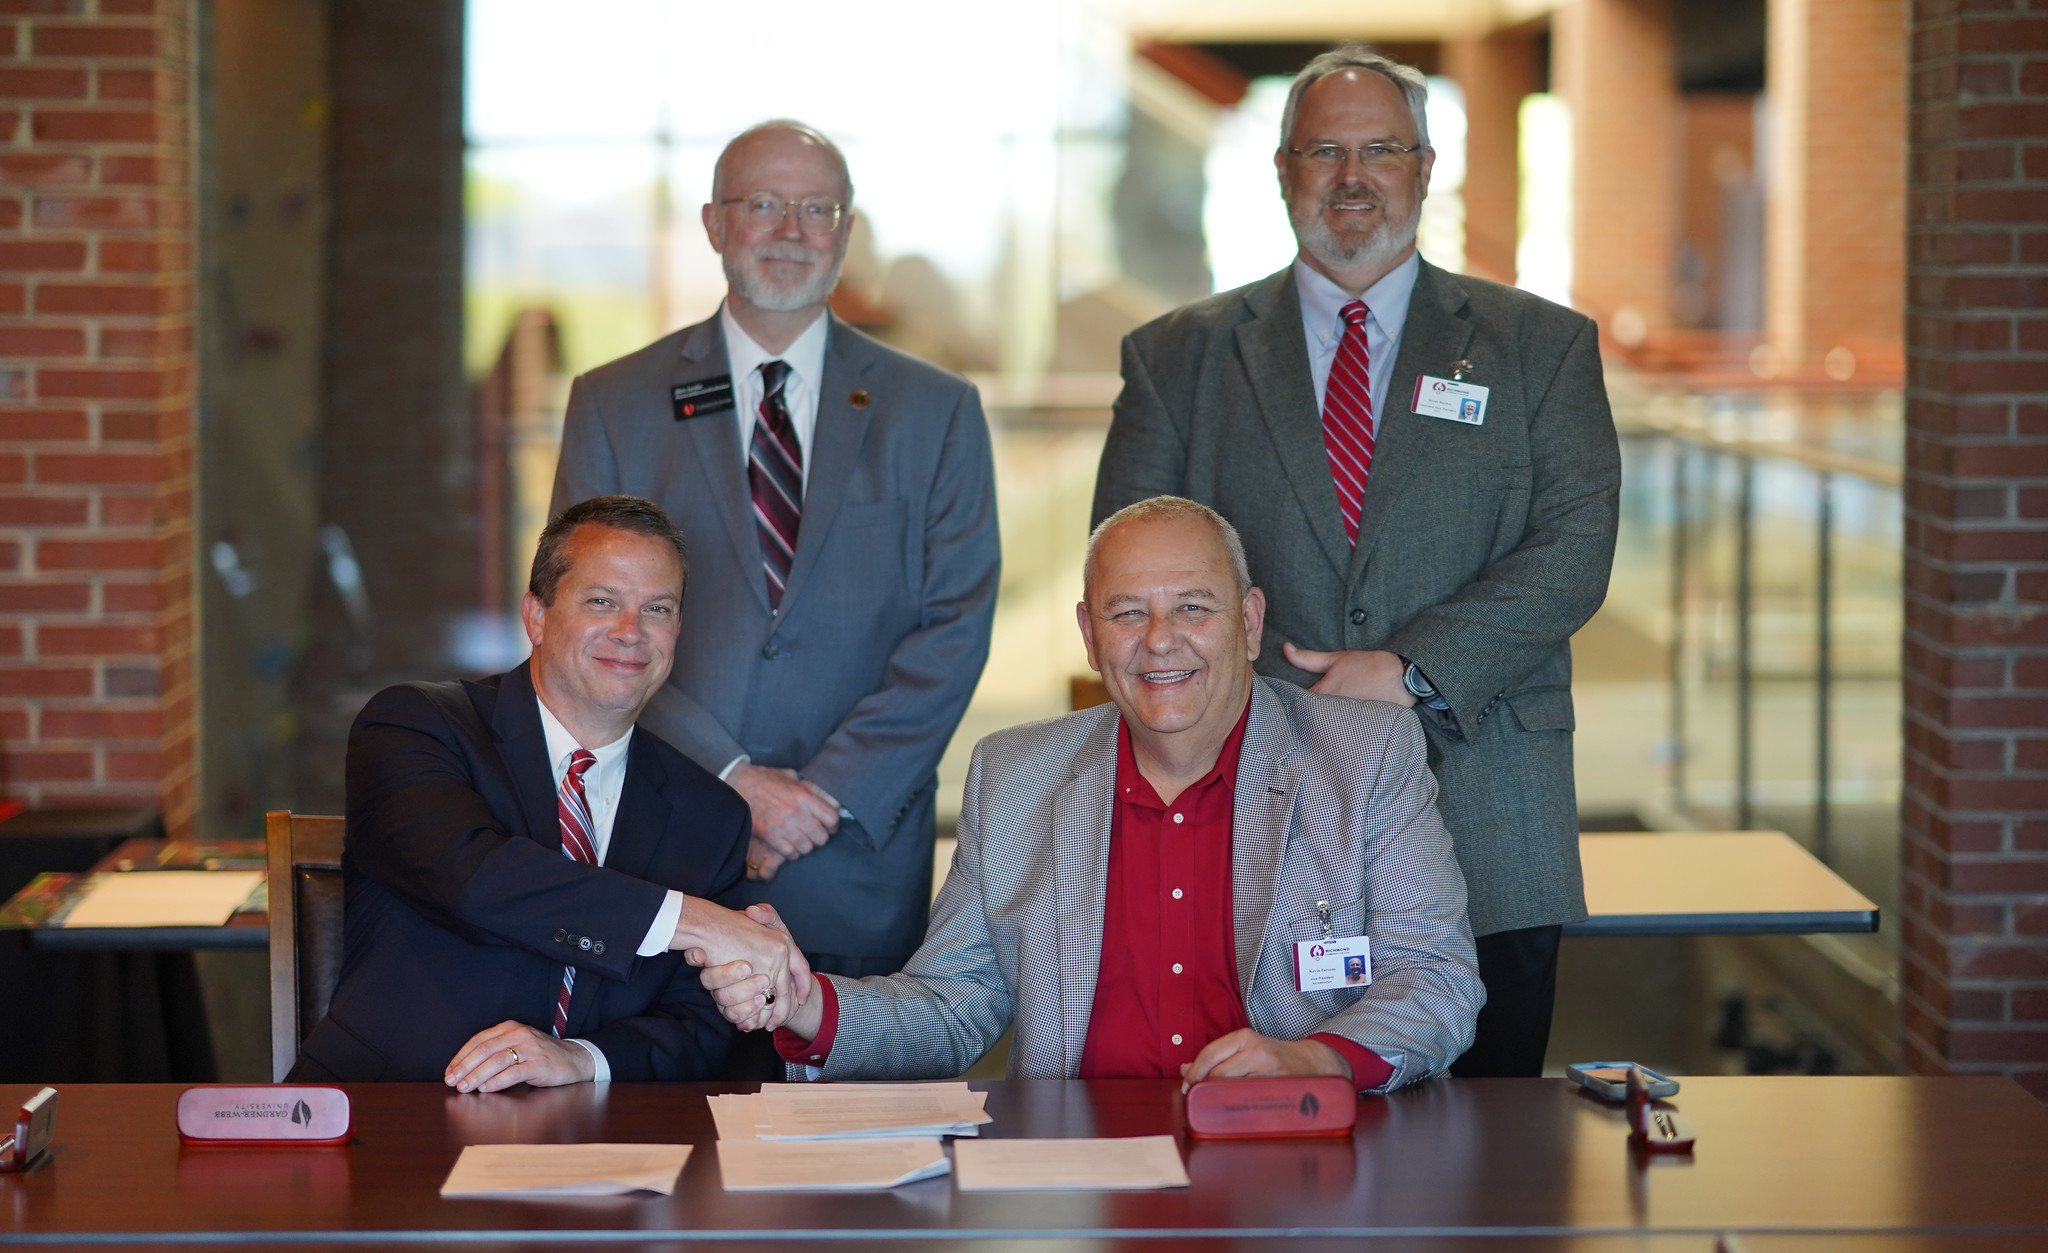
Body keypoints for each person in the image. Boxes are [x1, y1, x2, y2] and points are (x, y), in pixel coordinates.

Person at [1089, 47, 1621, 1077]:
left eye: (1379, 148)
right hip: (1250, 808)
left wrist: (1406, 667)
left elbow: (1573, 547)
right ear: (1281, 171)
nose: (1351, 174)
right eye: (1323, 149)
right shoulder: (1175, 356)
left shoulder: (1537, 346)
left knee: (1489, 1146)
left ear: (1424, 168)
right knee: (1266, 1137)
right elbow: (1127, 563)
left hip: (1488, 809)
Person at [704, 497, 1482, 1092]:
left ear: (1248, 622)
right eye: (1126, 612)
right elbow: (952, 1002)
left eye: (1192, 607)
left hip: (1295, 1163)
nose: (1159, 639)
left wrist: (1311, 1059)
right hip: (1082, 1179)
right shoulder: (1014, 774)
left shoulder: (1366, 754)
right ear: (1088, 633)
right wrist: (808, 1003)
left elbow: (1437, 982)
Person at [551, 120, 1000, 991]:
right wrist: (732, 779)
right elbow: (588, 621)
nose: (791, 231)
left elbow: (956, 625)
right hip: (663, 849)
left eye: (816, 208)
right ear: (716, 224)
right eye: (764, 204)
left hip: (854, 865)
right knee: (658, 1107)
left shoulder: (934, 411)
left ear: (847, 230)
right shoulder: (614, 404)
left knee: (860, 1122)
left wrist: (819, 796)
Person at [289, 496, 811, 1089]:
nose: (630, 632)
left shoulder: (709, 814)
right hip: (392, 1116)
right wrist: (701, 923)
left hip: (599, 1141)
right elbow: (477, 881)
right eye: (602, 601)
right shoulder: (416, 727)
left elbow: (698, 1029)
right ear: (536, 617)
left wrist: (583, 1058)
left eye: (657, 609)